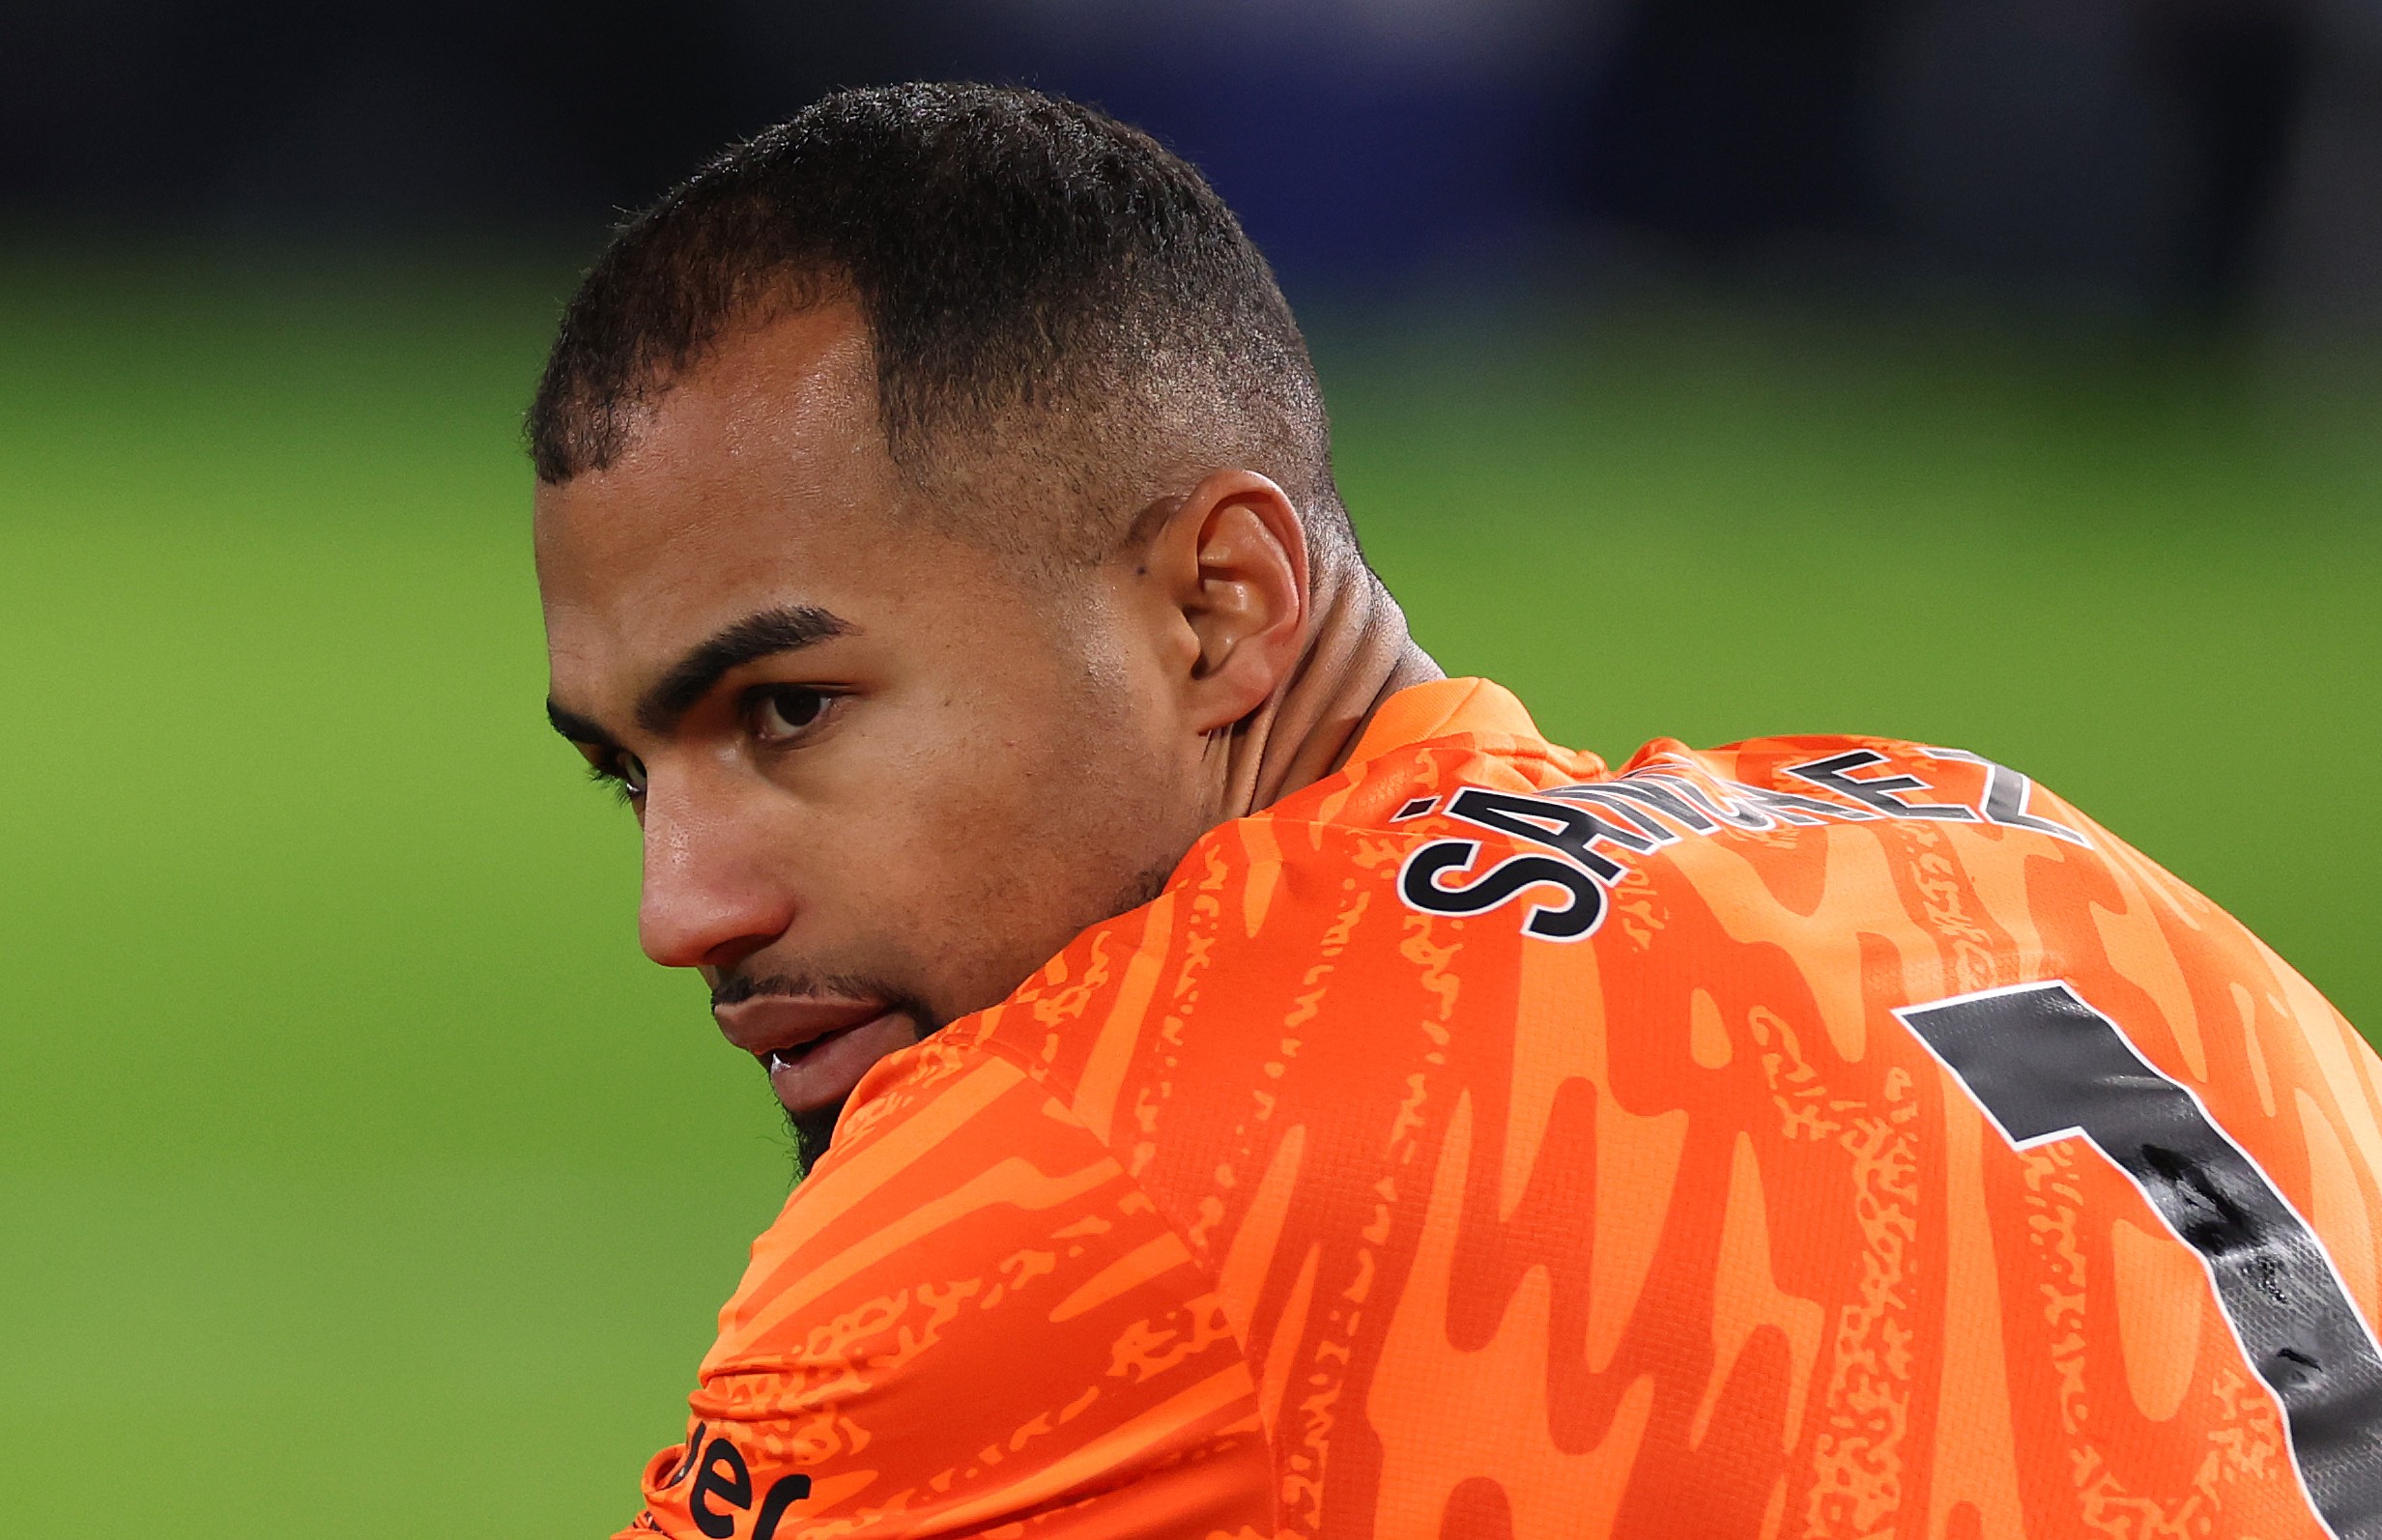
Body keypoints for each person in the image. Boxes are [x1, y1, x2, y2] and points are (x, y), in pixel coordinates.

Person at [530, 82, 2382, 1540]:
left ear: (1218, 607)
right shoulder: (2044, 865)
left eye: (791, 710)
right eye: (630, 773)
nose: (681, 908)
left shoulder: (1064, 1151)